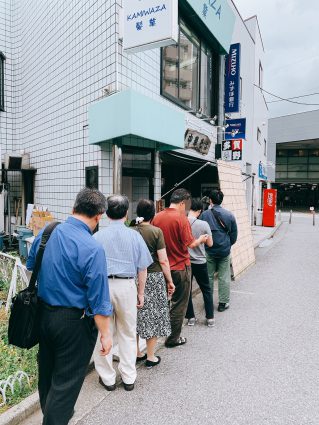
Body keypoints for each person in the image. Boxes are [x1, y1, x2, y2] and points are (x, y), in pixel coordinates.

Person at [27, 188, 113, 425]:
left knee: (47, 372)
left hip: (43, 315)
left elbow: (32, 263)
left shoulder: (48, 231)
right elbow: (98, 299)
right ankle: (55, 418)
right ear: (99, 216)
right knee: (66, 383)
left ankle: (51, 413)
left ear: (74, 207)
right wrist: (106, 335)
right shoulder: (92, 248)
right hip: (73, 323)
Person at [93, 195, 153, 391]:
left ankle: (108, 378)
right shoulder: (134, 236)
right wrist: (141, 293)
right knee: (128, 332)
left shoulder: (97, 237)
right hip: (127, 285)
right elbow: (142, 268)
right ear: (127, 213)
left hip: (103, 286)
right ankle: (128, 377)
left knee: (104, 332)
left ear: (106, 214)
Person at [152, 188, 208, 348]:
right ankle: (173, 338)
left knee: (163, 302)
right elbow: (190, 244)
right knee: (179, 303)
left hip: (162, 268)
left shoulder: (157, 217)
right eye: (186, 205)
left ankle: (158, 335)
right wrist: (201, 240)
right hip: (180, 266)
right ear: (182, 203)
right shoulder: (181, 219)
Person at [130, 200, 175, 369]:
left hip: (133, 277)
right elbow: (163, 260)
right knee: (153, 316)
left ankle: (135, 353)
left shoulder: (131, 230)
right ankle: (150, 356)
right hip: (154, 277)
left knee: (135, 316)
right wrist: (169, 281)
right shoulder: (156, 232)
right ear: (152, 214)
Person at [201, 189, 238, 312]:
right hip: (224, 250)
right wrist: (227, 244)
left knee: (208, 276)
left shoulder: (205, 214)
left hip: (209, 249)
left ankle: (208, 301)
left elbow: (201, 231)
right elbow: (234, 235)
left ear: (210, 200)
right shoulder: (229, 215)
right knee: (224, 277)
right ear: (221, 200)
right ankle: (223, 302)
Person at [185, 199, 214, 327]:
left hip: (186, 262)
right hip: (200, 262)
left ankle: (191, 318)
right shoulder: (203, 224)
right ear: (199, 211)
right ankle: (210, 318)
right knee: (206, 289)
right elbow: (210, 244)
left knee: (187, 290)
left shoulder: (182, 222)